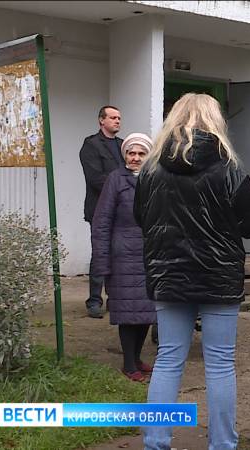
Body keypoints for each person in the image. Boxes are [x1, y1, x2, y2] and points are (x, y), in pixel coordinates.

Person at [135, 93, 250, 450]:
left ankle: (156, 443)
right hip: (219, 277)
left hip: (168, 276)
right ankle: (222, 444)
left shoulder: (150, 170)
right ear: (215, 121)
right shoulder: (229, 168)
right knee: (220, 363)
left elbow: (140, 219)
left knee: (168, 360)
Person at [91, 132, 157, 382]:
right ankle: (129, 363)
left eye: (141, 154)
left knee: (146, 311)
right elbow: (102, 221)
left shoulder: (154, 179)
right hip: (123, 256)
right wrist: (102, 259)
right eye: (131, 153)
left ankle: (138, 358)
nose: (136, 158)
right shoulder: (115, 180)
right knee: (128, 312)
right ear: (125, 155)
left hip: (149, 254)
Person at [80, 105, 124, 318]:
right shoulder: (91, 145)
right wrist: (121, 187)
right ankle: (94, 301)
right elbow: (95, 178)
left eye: (119, 118)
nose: (117, 121)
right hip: (99, 210)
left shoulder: (123, 145)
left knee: (119, 255)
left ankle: (114, 299)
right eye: (113, 118)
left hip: (123, 210)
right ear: (101, 120)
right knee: (100, 253)